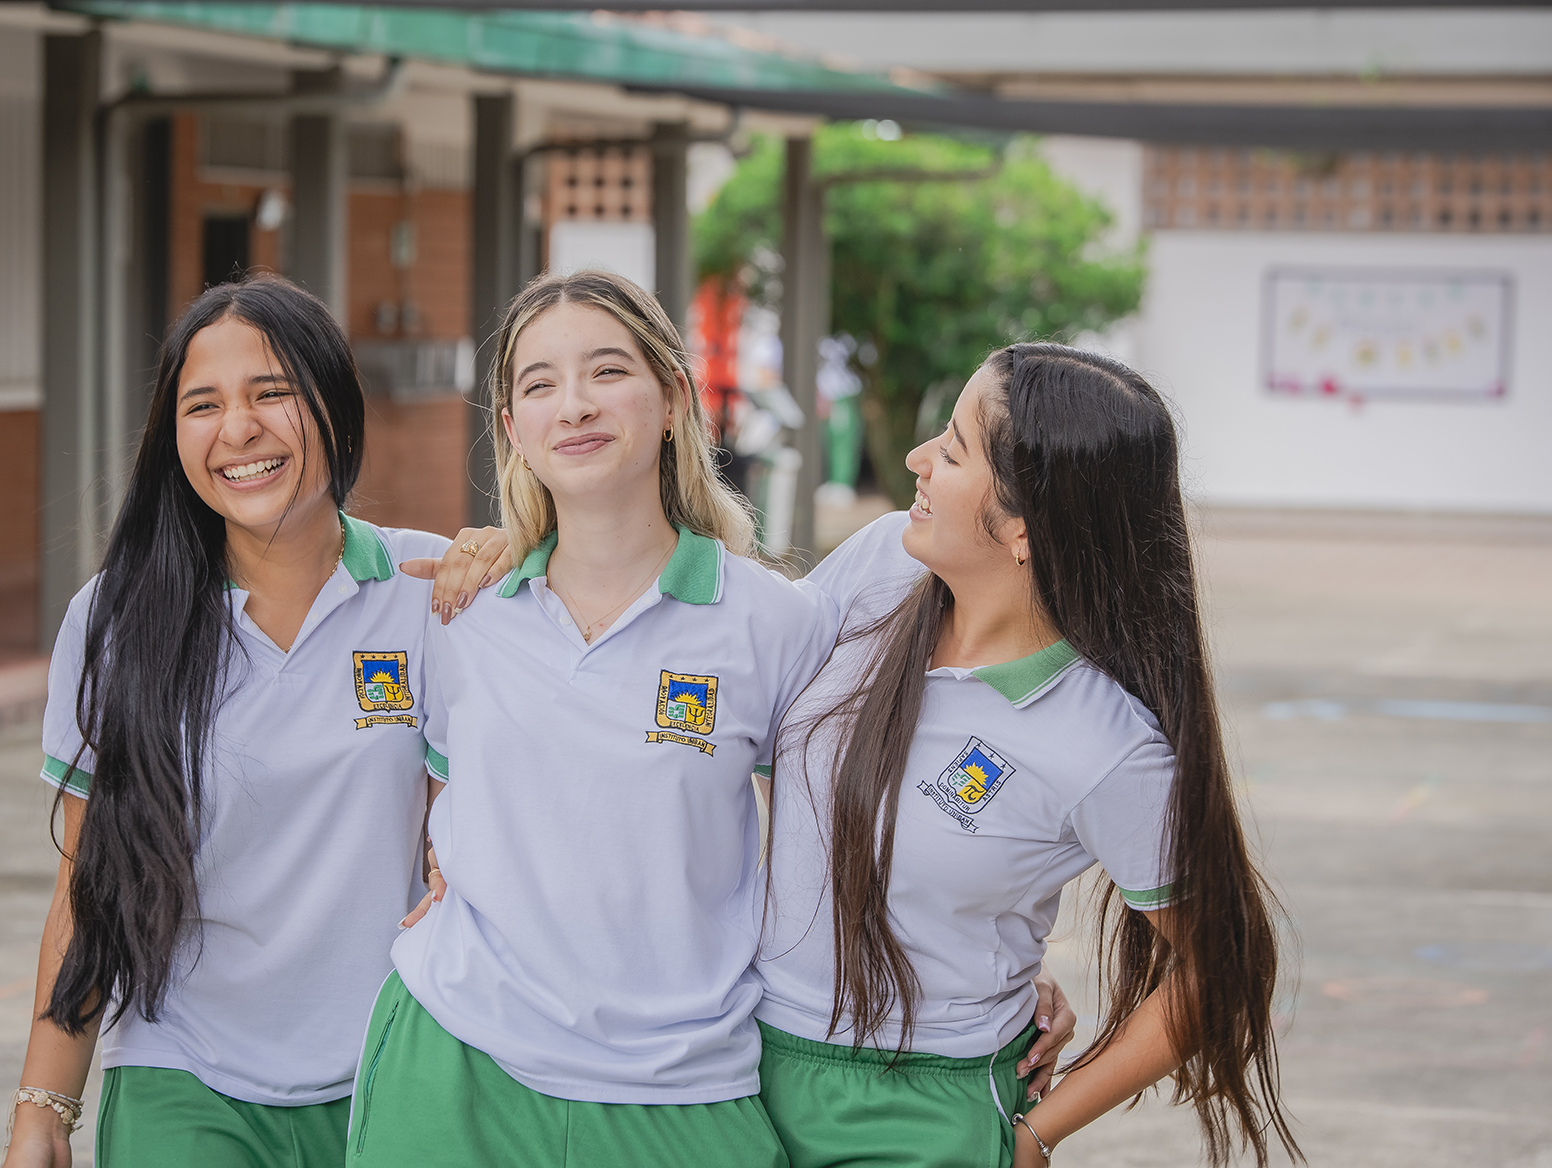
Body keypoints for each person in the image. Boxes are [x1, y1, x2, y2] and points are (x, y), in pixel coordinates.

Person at [344, 268, 854, 1168]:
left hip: (681, 1086)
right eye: (540, 384)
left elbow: (841, 846)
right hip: (455, 1068)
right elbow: (431, 795)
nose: (574, 405)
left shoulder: (779, 623)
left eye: (607, 371)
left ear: (675, 400)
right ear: (514, 429)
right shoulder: (460, 612)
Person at [754, 343, 1300, 1168]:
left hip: (920, 1108)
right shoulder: (879, 564)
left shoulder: (1104, 744)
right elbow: (763, 740)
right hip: (739, 1064)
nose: (917, 460)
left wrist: (1040, 1132)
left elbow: (1224, 966)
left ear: (1024, 525)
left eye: (952, 451)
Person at [2, 274, 506, 1168]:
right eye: (203, 405)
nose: (237, 429)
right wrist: (42, 1108)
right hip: (183, 1075)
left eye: (271, 392)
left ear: (334, 406)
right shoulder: (116, 617)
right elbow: (90, 885)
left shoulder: (432, 592)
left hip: (395, 1071)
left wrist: (530, 554)